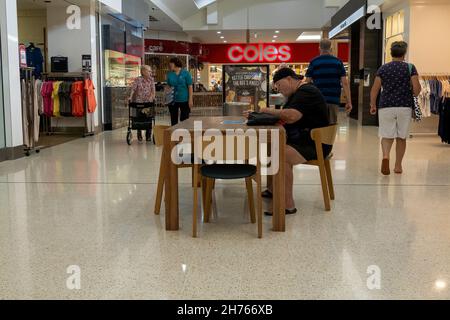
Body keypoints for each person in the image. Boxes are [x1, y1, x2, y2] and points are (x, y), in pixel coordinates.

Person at [245, 68, 331, 215]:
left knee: (281, 155)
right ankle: (273, 189)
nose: (278, 89)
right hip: (306, 140)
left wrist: (267, 111)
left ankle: (287, 204)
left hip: (315, 144)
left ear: (289, 79)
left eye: (279, 84)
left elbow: (292, 116)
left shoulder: (306, 92)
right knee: (274, 147)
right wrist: (258, 115)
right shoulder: (298, 93)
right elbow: (285, 116)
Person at [370, 41, 421, 175]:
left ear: (391, 53)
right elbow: (416, 89)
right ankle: (398, 166)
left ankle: (386, 156)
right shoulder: (410, 68)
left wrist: (372, 105)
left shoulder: (383, 68)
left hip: (386, 106)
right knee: (401, 137)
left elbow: (375, 89)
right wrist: (413, 92)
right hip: (404, 106)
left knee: (386, 135)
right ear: (404, 53)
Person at [305, 39, 352, 124]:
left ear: (319, 48)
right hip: (333, 100)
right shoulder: (338, 62)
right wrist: (349, 101)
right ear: (331, 48)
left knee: (318, 126)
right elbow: (345, 83)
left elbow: (307, 82)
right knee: (331, 126)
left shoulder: (314, 62)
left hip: (317, 100)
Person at [129, 65, 156, 142]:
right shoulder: (138, 79)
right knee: (139, 118)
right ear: (143, 71)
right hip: (139, 102)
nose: (150, 72)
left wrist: (152, 97)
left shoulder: (151, 80)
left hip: (148, 102)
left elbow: (153, 91)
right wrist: (130, 97)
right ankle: (139, 133)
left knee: (148, 118)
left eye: (150, 71)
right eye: (149, 71)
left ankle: (148, 135)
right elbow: (133, 89)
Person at [167, 57, 194, 126]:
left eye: (171, 64)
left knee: (184, 119)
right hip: (173, 100)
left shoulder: (186, 73)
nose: (170, 65)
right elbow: (168, 86)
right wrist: (166, 97)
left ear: (176, 64)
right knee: (173, 119)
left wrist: (190, 99)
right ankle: (174, 135)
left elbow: (190, 87)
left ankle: (184, 134)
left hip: (184, 99)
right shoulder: (169, 74)